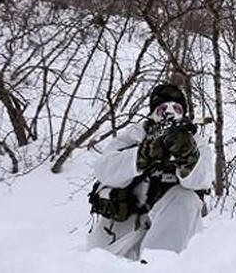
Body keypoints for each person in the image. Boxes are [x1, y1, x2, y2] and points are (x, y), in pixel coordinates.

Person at [87, 83, 213, 261]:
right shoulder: (134, 136)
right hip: (119, 239)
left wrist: (187, 157)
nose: (169, 114)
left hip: (173, 238)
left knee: (186, 197)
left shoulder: (196, 142)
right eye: (162, 109)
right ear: (153, 112)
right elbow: (103, 169)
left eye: (177, 108)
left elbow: (204, 179)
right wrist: (142, 155)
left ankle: (157, 264)